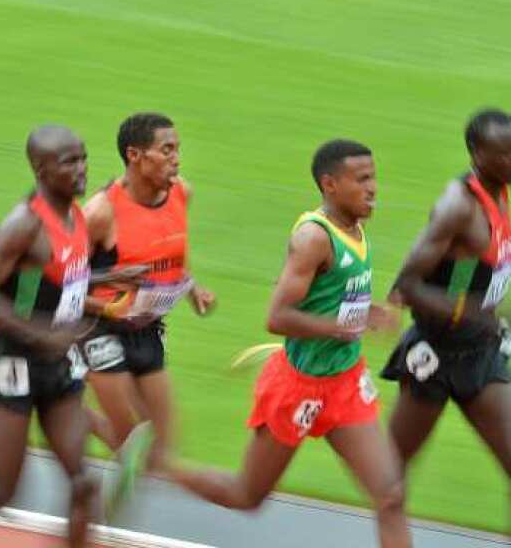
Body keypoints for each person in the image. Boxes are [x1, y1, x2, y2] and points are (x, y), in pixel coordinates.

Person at [166, 139, 412, 548]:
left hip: (345, 382)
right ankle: (162, 467)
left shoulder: (355, 226)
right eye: (362, 179)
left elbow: (331, 296)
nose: (373, 188)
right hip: (298, 386)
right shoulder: (313, 238)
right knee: (246, 495)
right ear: (329, 184)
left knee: (390, 495)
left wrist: (365, 312)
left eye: (374, 178)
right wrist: (340, 326)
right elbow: (276, 317)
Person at [0, 124, 97, 547]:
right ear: (41, 169)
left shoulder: (77, 215)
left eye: (83, 157)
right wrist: (40, 334)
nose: (81, 169)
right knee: (1, 493)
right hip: (14, 361)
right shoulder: (24, 225)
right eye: (69, 161)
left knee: (84, 482)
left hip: (58, 363)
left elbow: (60, 282)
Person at [383, 109, 511, 531]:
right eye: (505, 154)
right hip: (435, 360)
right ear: (477, 153)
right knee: (390, 480)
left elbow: (483, 270)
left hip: (480, 355)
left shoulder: (501, 190)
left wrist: (488, 315)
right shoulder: (457, 207)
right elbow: (408, 285)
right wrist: (472, 313)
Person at [80, 112, 215, 470]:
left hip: (148, 330)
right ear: (134, 155)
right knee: (128, 441)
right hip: (99, 330)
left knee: (162, 452)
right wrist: (107, 304)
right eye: (166, 150)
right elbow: (57, 280)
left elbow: (163, 254)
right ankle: (69, 409)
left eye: (177, 150)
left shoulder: (181, 193)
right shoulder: (100, 213)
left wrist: (190, 286)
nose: (176, 159)